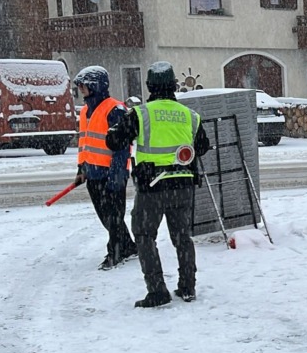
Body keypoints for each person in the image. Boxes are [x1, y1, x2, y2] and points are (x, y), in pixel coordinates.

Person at [106, 61, 211, 308]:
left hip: (151, 186)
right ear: (173, 85)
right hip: (183, 184)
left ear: (149, 86)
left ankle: (157, 291)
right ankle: (188, 287)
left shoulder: (141, 114)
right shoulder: (190, 115)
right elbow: (203, 146)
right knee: (182, 237)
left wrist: (116, 128)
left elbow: (115, 142)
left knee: (144, 235)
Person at [72, 66, 137, 270]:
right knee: (107, 218)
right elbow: (84, 143)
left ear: (96, 85)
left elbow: (122, 148)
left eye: (83, 85)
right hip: (93, 174)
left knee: (114, 217)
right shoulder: (85, 111)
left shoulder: (115, 110)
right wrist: (82, 168)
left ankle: (115, 253)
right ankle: (128, 247)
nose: (80, 89)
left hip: (111, 174)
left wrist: (116, 177)